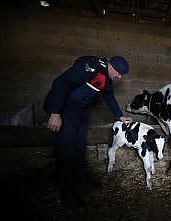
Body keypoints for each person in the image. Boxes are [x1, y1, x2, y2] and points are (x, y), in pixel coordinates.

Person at [43, 55, 132, 212]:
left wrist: (119, 115)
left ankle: (81, 182)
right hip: (63, 109)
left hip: (79, 112)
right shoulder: (90, 65)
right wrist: (55, 113)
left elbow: (108, 95)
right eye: (118, 72)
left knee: (79, 149)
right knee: (65, 153)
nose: (119, 77)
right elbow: (61, 82)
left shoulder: (106, 77)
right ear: (110, 65)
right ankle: (68, 193)